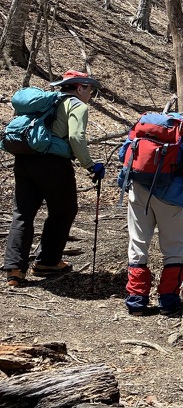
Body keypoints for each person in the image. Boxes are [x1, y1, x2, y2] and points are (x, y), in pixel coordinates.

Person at [4, 71, 105, 287]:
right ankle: (47, 262)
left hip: (24, 159)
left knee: (22, 213)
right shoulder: (77, 105)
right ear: (80, 88)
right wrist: (90, 165)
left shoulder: (47, 102)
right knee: (64, 210)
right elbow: (76, 137)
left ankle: (14, 270)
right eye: (90, 90)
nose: (91, 95)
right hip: (53, 164)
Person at [119, 112, 183, 316]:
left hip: (138, 190)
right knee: (174, 246)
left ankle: (136, 300)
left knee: (138, 242)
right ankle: (168, 301)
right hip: (172, 193)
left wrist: (123, 182)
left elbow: (125, 154)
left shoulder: (144, 123)